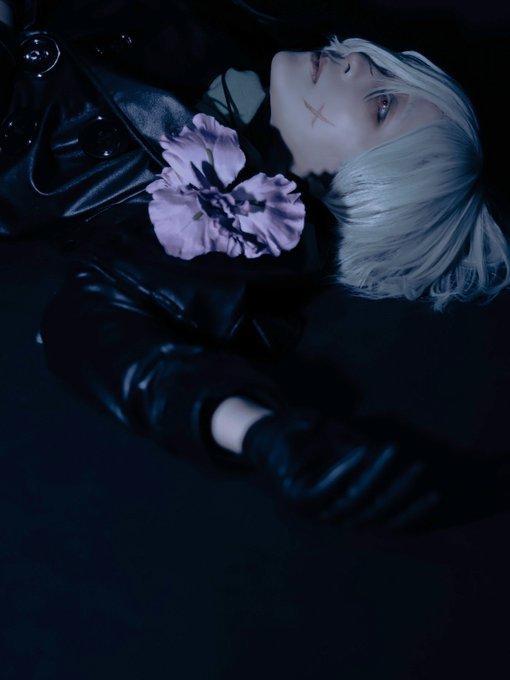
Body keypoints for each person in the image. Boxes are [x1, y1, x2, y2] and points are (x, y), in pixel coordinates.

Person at [2, 1, 508, 528]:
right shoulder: (262, 44)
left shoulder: (235, 228)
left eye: (382, 106)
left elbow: (96, 329)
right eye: (386, 67)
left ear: (370, 184)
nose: (360, 61)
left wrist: (261, 434)